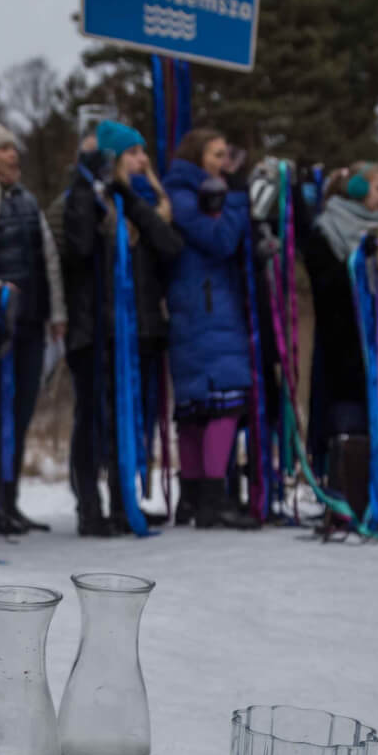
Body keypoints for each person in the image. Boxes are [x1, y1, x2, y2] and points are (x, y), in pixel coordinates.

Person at [61, 121, 182, 536]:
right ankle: (89, 506)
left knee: (129, 421)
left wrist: (129, 196)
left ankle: (121, 500)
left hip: (138, 329)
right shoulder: (81, 200)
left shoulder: (138, 203)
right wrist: (88, 183)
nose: (142, 160)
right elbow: (76, 250)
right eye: (131, 153)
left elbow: (169, 247)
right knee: (93, 420)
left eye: (142, 153)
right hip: (94, 330)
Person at [0, 120, 68, 535]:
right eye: (5, 149)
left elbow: (49, 261)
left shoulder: (27, 201)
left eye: (14, 148)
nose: (15, 155)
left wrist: (56, 313)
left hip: (31, 322)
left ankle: (11, 500)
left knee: (21, 415)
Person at [163, 128, 258, 530]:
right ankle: (212, 499)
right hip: (205, 309)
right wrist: (238, 195)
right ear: (197, 157)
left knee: (199, 407)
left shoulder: (188, 191)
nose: (224, 162)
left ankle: (196, 497)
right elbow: (220, 238)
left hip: (205, 305)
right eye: (217, 154)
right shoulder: (184, 195)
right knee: (222, 402)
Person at [300, 162, 378, 506]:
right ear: (356, 189)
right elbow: (324, 286)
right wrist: (359, 262)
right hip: (344, 339)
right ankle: (344, 490)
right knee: (347, 414)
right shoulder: (327, 229)